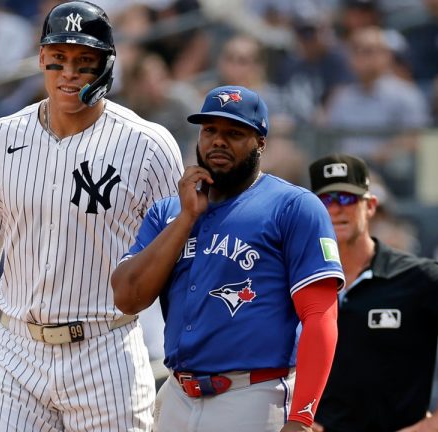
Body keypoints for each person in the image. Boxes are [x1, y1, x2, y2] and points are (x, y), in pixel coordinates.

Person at [0, 2, 183, 431]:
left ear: (106, 67)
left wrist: (186, 350)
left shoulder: (148, 145)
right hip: (18, 347)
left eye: (84, 61)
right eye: (58, 58)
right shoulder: (2, 136)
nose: (68, 72)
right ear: (42, 59)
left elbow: (180, 256)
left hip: (106, 349)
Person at [112, 85, 344, 432]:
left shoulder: (294, 206)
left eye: (234, 133)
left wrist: (301, 417)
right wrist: (187, 217)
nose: (218, 141)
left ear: (260, 143)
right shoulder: (169, 212)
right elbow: (127, 297)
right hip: (177, 394)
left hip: (253, 395)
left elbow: (320, 317)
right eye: (210, 131)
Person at [309, 154, 438, 432]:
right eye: (326, 200)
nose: (336, 209)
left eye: (347, 199)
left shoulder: (416, 277)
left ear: (370, 206)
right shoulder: (296, 278)